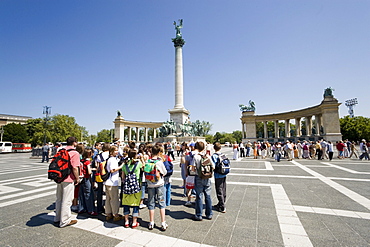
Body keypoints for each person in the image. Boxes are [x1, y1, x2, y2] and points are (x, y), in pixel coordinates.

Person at [54, 137, 80, 227]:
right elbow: (75, 168)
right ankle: (65, 220)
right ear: (74, 143)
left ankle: (57, 218)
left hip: (59, 177)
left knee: (59, 199)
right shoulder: (75, 153)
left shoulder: (61, 150)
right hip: (68, 178)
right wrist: (77, 178)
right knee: (67, 200)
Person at [146, 145, 168, 231]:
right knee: (161, 203)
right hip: (159, 184)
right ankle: (163, 222)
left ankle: (151, 222)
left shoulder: (148, 162)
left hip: (150, 184)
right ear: (159, 153)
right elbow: (165, 172)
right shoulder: (159, 162)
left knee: (151, 203)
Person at [192, 141, 214, 221]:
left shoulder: (196, 157)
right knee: (208, 196)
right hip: (207, 177)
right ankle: (209, 214)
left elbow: (193, 168)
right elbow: (213, 166)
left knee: (199, 196)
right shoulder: (207, 156)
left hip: (199, 177)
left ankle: (199, 215)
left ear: (196, 148)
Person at [122, 149, 142, 228]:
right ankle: (134, 222)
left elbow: (123, 177)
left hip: (127, 186)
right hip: (136, 185)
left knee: (126, 203)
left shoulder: (125, 164)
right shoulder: (138, 163)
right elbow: (143, 167)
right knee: (135, 203)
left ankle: (126, 221)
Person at [104, 145, 123, 221]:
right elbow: (113, 170)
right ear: (111, 151)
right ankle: (116, 214)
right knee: (114, 199)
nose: (117, 152)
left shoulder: (109, 159)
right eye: (115, 150)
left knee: (108, 199)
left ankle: (108, 213)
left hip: (107, 181)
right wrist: (121, 166)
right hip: (112, 181)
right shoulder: (112, 160)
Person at [78, 149, 98, 216]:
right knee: (88, 193)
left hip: (81, 178)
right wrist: (93, 170)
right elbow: (89, 172)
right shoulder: (88, 161)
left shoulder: (82, 160)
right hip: (87, 178)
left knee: (81, 193)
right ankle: (90, 210)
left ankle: (82, 207)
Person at [211, 142, 227, 213]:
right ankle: (221, 202)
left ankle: (222, 206)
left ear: (214, 148)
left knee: (219, 190)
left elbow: (213, 166)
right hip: (224, 173)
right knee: (223, 189)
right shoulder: (223, 155)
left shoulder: (214, 156)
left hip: (218, 175)